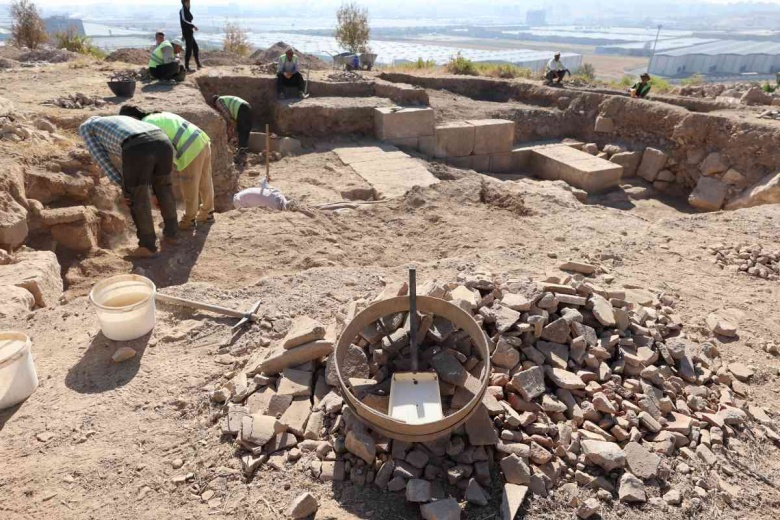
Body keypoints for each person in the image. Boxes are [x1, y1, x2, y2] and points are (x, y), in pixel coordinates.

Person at [79, 116, 178, 257]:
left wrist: (126, 189)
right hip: (163, 141)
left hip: (137, 146)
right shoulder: (116, 121)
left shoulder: (85, 128)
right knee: (164, 187)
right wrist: (153, 192)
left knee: (138, 197)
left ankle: (147, 246)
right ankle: (173, 233)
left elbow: (102, 160)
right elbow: (146, 164)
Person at [120, 106, 214, 230]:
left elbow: (154, 160)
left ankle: (188, 220)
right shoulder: (156, 116)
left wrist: (154, 190)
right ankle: (207, 213)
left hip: (190, 148)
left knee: (189, 184)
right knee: (204, 180)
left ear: (132, 118)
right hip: (202, 140)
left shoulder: (145, 126)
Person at [210, 95, 253, 164]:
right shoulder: (226, 99)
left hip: (241, 109)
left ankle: (241, 150)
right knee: (246, 129)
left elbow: (226, 113)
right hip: (248, 107)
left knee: (241, 130)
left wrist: (230, 123)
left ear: (214, 103)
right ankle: (244, 149)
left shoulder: (219, 101)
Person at [180, 0, 202, 72]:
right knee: (189, 49)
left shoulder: (187, 10)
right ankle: (186, 67)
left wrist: (192, 27)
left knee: (195, 48)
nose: (189, 3)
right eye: (188, 2)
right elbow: (184, 20)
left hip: (190, 32)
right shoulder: (182, 10)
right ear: (184, 2)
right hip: (187, 32)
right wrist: (193, 25)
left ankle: (198, 64)